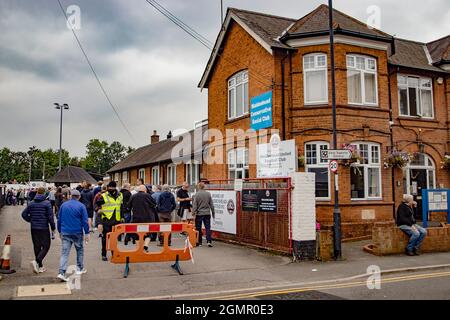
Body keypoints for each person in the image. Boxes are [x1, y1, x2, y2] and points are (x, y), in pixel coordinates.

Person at [56, 189, 90, 282]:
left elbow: (59, 219)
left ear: (70, 196)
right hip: (77, 232)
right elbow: (85, 221)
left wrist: (59, 230)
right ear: (79, 197)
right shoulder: (81, 206)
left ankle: (61, 272)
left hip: (65, 232)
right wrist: (87, 233)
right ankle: (79, 268)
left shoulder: (63, 205)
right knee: (79, 250)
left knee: (64, 253)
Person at [21, 187, 56, 273]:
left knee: (37, 246)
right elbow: (50, 217)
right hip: (44, 227)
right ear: (44, 193)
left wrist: (30, 220)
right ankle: (37, 261)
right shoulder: (47, 203)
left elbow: (23, 214)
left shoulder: (31, 203)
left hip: (34, 227)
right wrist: (53, 227)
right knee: (46, 246)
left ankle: (39, 266)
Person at [95, 181, 124, 261]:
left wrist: (122, 217)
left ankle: (114, 253)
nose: (110, 189)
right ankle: (103, 254)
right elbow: (96, 204)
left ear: (115, 187)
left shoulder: (120, 195)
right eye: (109, 187)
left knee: (114, 239)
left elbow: (121, 207)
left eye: (112, 187)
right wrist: (98, 209)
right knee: (105, 238)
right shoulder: (104, 195)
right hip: (107, 220)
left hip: (116, 220)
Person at [127, 185, 158, 249]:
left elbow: (128, 207)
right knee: (148, 232)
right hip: (147, 218)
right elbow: (154, 205)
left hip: (136, 218)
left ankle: (138, 247)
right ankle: (145, 245)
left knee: (136, 233)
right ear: (145, 190)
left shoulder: (133, 196)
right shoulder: (148, 196)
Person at [192, 182, 215, 247]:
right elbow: (211, 205)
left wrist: (193, 213)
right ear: (204, 187)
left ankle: (199, 242)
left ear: (198, 187)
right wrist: (213, 213)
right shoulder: (208, 194)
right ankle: (209, 241)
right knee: (208, 227)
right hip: (207, 213)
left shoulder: (197, 194)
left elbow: (195, 205)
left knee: (198, 228)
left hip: (199, 213)